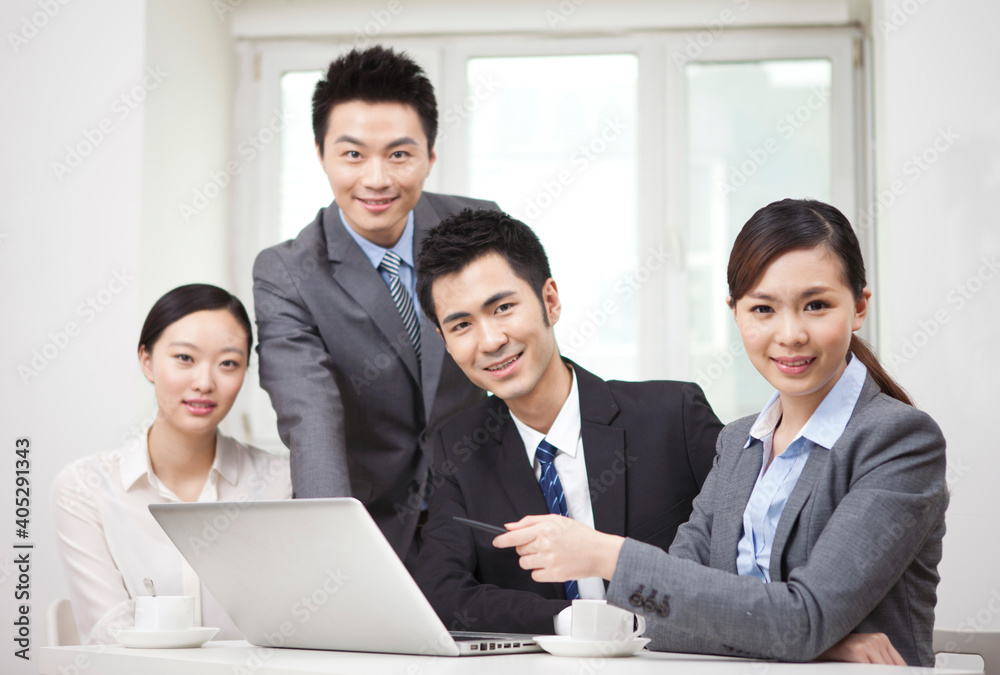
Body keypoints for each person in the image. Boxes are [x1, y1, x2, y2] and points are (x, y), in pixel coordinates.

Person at [495, 198, 948, 666]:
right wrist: (823, 642)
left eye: (816, 305)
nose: (790, 334)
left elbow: (803, 620)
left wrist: (609, 555)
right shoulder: (737, 444)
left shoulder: (900, 441)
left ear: (858, 308)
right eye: (763, 309)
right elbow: (661, 623)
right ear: (735, 313)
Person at [411, 208, 724, 635]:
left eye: (503, 307)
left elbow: (748, 564)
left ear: (550, 301)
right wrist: (570, 621)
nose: (490, 341)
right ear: (445, 342)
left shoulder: (673, 416)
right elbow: (441, 594)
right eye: (462, 325)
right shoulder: (459, 447)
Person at [252, 46, 493, 568]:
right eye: (353, 154)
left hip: (486, 513)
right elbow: (309, 413)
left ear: (430, 155)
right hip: (374, 528)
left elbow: (523, 356)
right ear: (321, 154)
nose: (377, 179)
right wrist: (336, 544)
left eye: (399, 154)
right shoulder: (288, 272)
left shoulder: (478, 228)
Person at [52, 284, 292, 644]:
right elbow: (110, 641)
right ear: (147, 361)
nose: (204, 382)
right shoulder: (86, 488)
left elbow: (290, 628)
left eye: (228, 363)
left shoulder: (280, 483)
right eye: (184, 358)